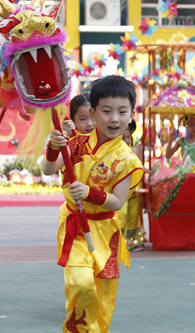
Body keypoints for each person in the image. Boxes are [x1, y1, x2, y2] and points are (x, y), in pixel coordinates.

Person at [42, 75, 144, 332]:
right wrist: (54, 148)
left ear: (132, 114)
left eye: (122, 112)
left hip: (106, 235)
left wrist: (89, 193)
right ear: (93, 112)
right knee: (81, 285)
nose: (114, 119)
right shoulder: (74, 143)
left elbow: (118, 202)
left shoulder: (127, 159)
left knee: (103, 298)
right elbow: (48, 168)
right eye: (106, 111)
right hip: (76, 228)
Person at [119, 120, 146, 251]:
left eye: (128, 137)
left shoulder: (135, 150)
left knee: (133, 214)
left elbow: (140, 166)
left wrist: (148, 171)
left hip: (135, 187)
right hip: (121, 190)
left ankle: (133, 241)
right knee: (121, 214)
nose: (126, 140)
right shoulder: (116, 152)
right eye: (123, 138)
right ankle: (119, 241)